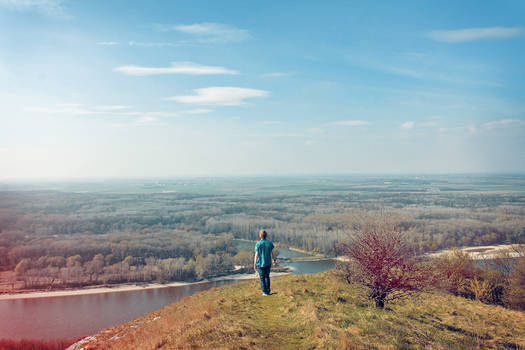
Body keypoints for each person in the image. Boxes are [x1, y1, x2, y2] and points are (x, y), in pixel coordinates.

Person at [254, 229, 276, 296]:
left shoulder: (258, 244)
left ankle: (264, 292)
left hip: (260, 264)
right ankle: (268, 291)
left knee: (262, 278)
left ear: (260, 236)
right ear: (266, 235)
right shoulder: (270, 243)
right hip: (268, 263)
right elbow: (273, 253)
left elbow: (256, 255)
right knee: (267, 277)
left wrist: (254, 264)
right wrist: (274, 260)